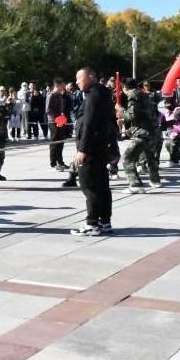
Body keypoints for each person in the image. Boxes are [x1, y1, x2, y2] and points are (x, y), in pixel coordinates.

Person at [71, 68, 118, 236]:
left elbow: (90, 124)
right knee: (102, 186)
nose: (77, 82)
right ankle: (105, 221)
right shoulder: (104, 94)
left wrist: (82, 149)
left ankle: (92, 223)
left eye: (79, 78)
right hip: (101, 147)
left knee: (89, 186)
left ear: (90, 77)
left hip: (91, 149)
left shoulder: (94, 95)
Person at [119, 79, 159, 193]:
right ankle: (155, 180)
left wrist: (123, 114)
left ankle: (135, 184)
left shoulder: (133, 96)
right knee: (150, 157)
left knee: (128, 158)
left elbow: (133, 114)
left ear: (125, 88)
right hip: (153, 131)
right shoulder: (145, 95)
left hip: (142, 133)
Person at [46, 79, 72, 170]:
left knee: (61, 141)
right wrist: (57, 118)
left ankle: (60, 161)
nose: (64, 88)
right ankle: (53, 163)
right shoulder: (51, 95)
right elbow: (48, 110)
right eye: (62, 86)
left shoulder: (60, 96)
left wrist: (62, 117)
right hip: (53, 121)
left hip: (60, 120)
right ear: (57, 85)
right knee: (54, 141)